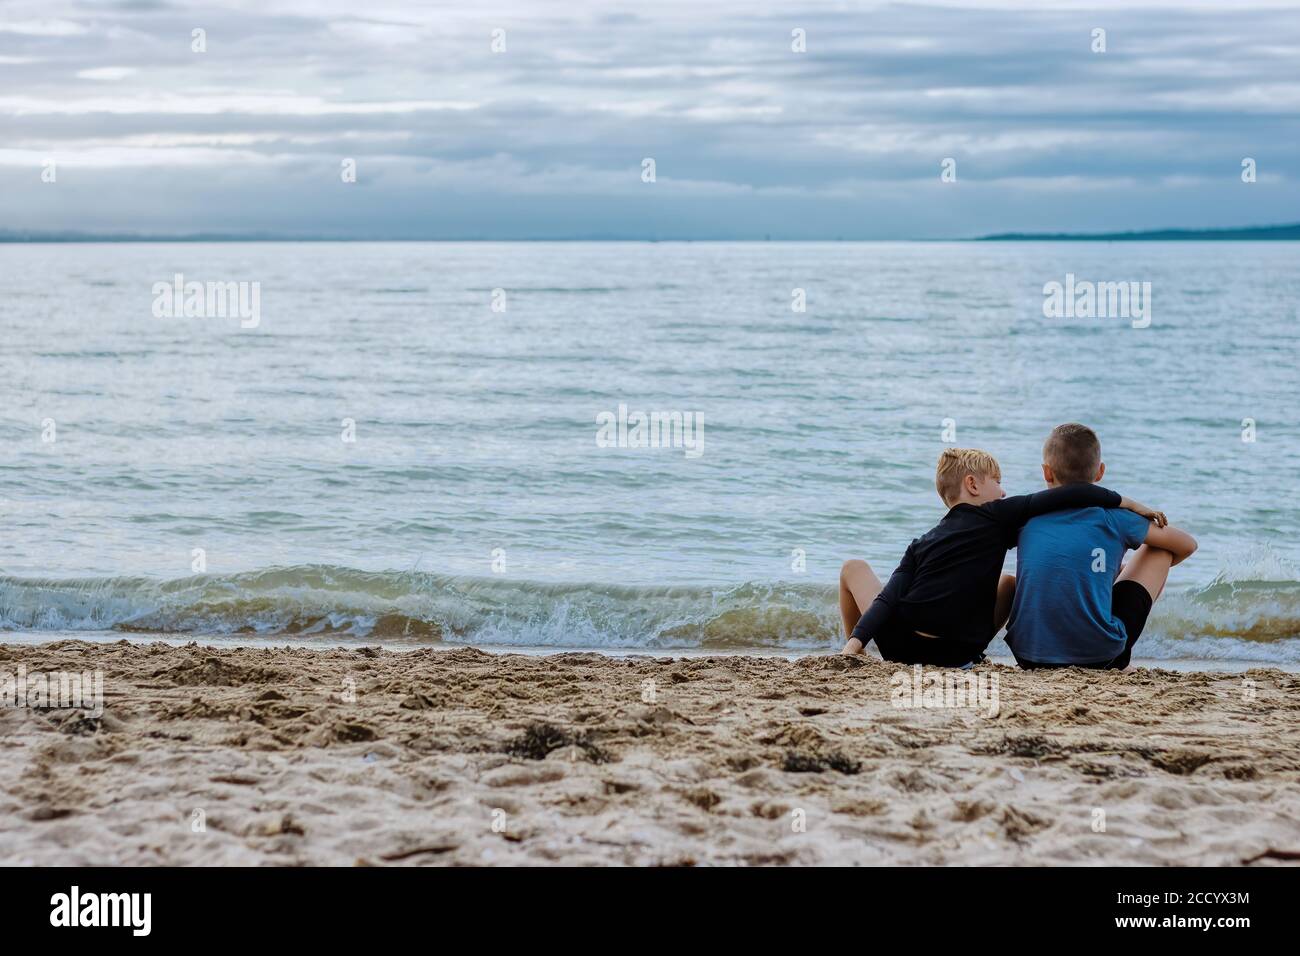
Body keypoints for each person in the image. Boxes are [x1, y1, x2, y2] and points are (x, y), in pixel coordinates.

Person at [839, 447, 1164, 667]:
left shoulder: (921, 543)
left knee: (853, 568)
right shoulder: (997, 515)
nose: (1004, 491)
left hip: (902, 648)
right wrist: (1128, 503)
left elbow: (886, 599)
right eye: (998, 481)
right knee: (1007, 583)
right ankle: (975, 654)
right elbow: (1073, 493)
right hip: (956, 653)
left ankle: (858, 654)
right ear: (972, 485)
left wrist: (854, 644)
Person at [1004, 423, 1196, 669]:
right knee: (1160, 549)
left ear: (1046, 473)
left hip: (1028, 655)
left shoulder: (1026, 518)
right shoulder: (1114, 517)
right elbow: (1187, 545)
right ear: (1100, 472)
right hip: (1099, 657)